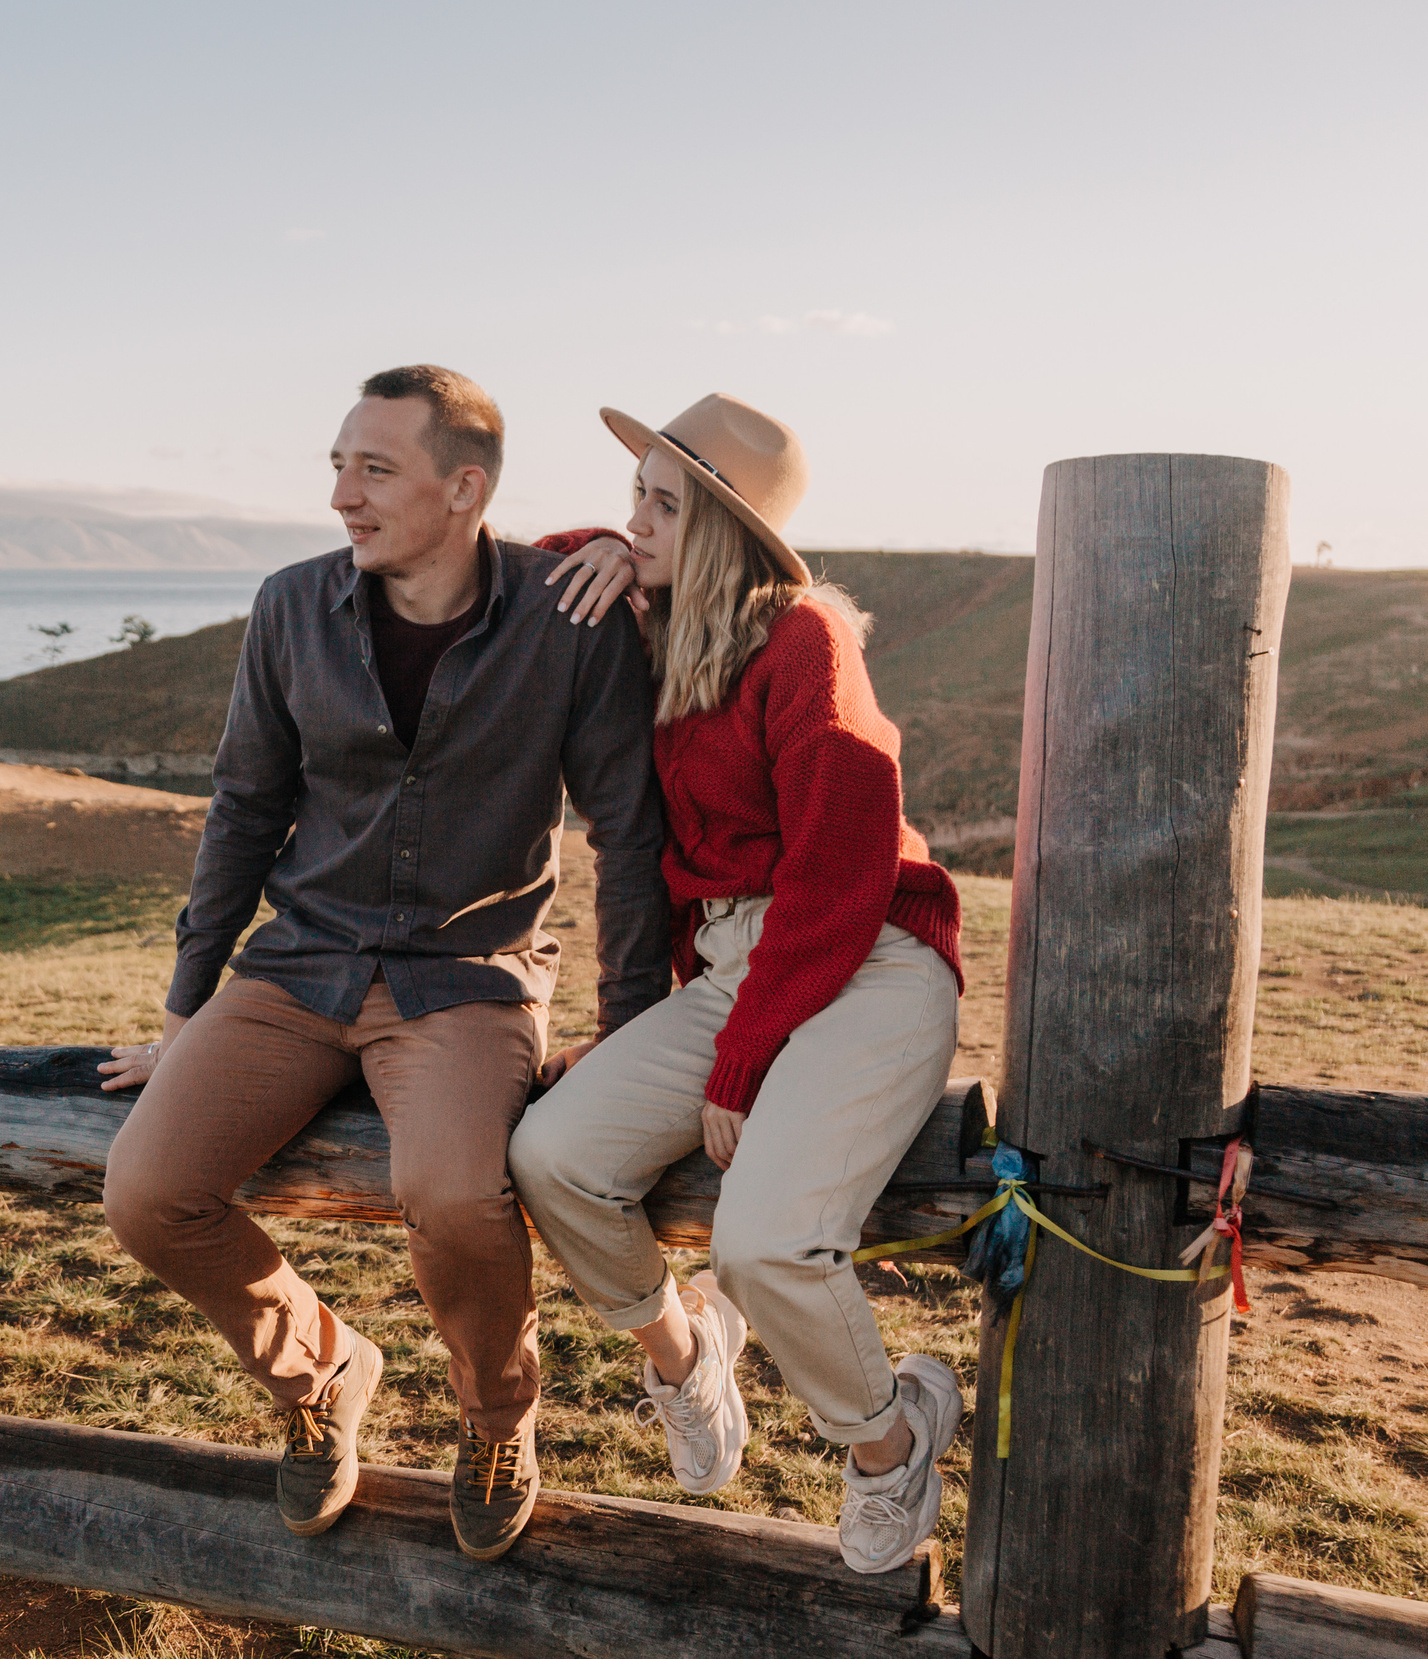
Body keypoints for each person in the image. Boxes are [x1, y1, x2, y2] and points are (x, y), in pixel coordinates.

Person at [98, 365, 668, 1561]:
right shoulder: (291, 607)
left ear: (463, 489)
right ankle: (319, 1375)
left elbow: (627, 831)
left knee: (457, 1196)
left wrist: (630, 1029)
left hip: (468, 973)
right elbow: (242, 810)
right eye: (337, 467)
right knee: (148, 1194)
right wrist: (188, 1013)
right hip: (296, 964)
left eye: (374, 470)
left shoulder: (571, 619)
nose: (341, 498)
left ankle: (496, 1417)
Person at [510, 394, 966, 1576]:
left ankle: (889, 1437)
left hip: (864, 961)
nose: (634, 522)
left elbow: (840, 870)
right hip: (730, 967)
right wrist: (600, 547)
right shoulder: (661, 632)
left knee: (765, 1242)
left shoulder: (806, 642)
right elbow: (523, 569)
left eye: (661, 505)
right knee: (552, 1157)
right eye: (635, 499)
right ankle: (684, 1353)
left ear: (723, 528)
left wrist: (745, 1054)